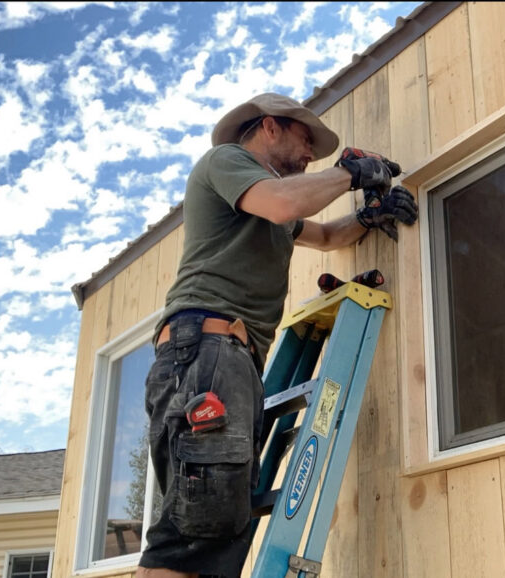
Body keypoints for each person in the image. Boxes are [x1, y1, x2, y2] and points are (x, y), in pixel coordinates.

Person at [137, 93, 417, 578]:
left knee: (214, 527)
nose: (311, 154)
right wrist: (351, 172)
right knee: (193, 537)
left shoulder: (271, 210)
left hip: (224, 355)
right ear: (269, 127)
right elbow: (285, 202)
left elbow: (327, 236)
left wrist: (369, 215)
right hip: (207, 349)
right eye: (305, 139)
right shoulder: (228, 162)